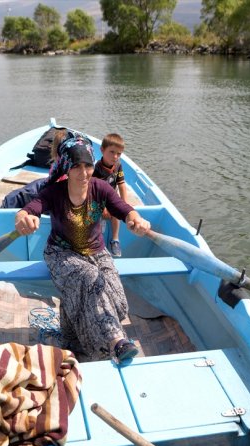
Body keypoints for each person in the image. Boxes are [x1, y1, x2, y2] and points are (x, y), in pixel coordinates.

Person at [14, 130, 151, 363]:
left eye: (87, 166)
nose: (84, 173)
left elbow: (122, 207)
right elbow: (32, 207)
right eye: (76, 166)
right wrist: (23, 217)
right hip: (60, 253)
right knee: (89, 278)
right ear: (67, 167)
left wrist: (135, 219)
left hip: (96, 251)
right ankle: (116, 341)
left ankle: (71, 337)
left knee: (118, 302)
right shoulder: (55, 192)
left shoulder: (100, 187)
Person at [93, 133, 128, 257]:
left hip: (112, 198)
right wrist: (104, 208)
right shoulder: (97, 169)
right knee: (96, 216)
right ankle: (98, 240)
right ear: (102, 150)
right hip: (98, 199)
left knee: (117, 212)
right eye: (112, 152)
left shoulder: (118, 165)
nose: (115, 156)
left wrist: (124, 206)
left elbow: (122, 185)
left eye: (119, 154)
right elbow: (94, 191)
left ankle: (115, 239)